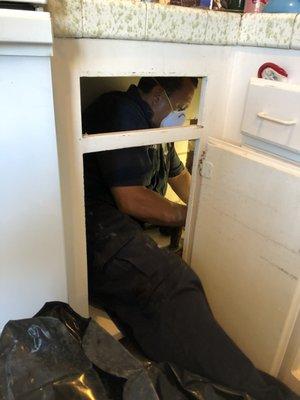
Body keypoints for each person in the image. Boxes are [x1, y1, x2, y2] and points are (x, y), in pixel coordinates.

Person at [83, 77, 297, 400]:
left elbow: (180, 178)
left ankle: (228, 383)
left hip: (123, 233)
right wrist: (186, 215)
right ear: (157, 96)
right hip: (99, 235)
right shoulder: (121, 112)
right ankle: (256, 392)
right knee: (174, 283)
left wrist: (209, 212)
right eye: (181, 106)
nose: (182, 114)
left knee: (180, 287)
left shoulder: (159, 131)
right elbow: (131, 198)